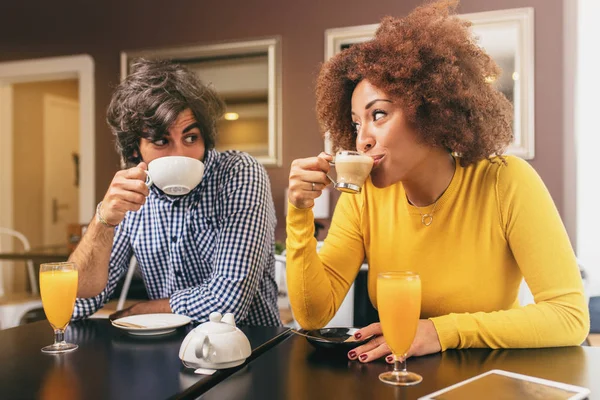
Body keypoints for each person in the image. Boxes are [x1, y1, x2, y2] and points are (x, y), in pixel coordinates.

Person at [286, 0, 589, 363]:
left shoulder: (505, 181)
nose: (361, 139)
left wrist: (440, 331)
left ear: (429, 110)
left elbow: (569, 316)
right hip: (396, 379)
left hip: (485, 380)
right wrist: (299, 213)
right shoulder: (362, 196)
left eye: (378, 115)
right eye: (355, 123)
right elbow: (313, 313)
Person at [71, 58, 281, 326]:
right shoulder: (135, 193)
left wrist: (146, 310)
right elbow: (77, 302)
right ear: (135, 150)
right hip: (167, 352)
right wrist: (104, 220)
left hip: (249, 349)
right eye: (161, 141)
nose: (180, 154)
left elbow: (228, 303)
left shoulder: (238, 173)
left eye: (191, 138)